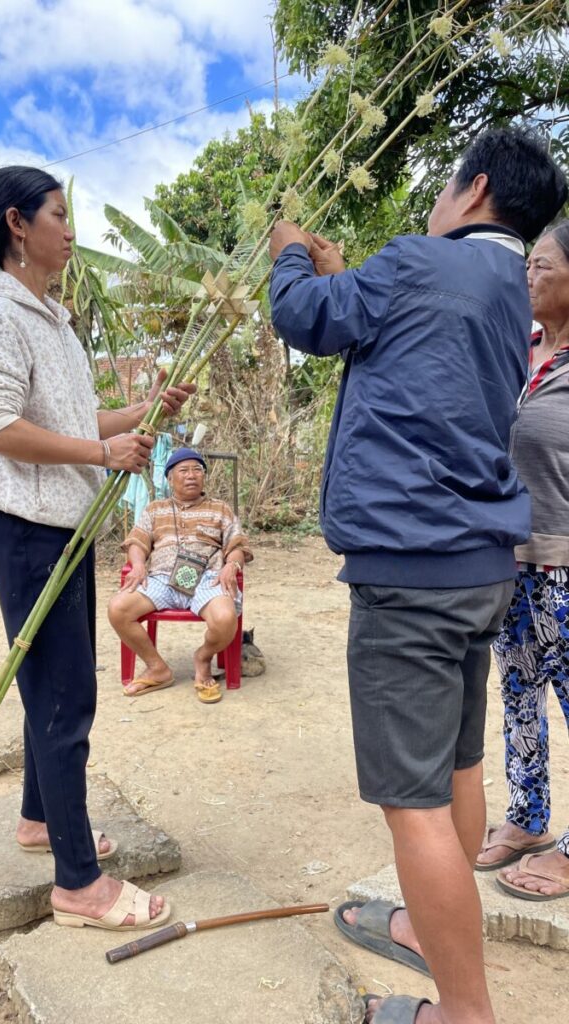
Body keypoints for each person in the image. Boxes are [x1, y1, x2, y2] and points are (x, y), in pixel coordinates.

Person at [268, 128, 567, 1024]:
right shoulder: (506, 290)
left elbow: (305, 319)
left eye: (444, 184)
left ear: (472, 189)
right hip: (476, 567)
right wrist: (344, 270)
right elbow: (402, 325)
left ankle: (463, 1013)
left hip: (411, 569)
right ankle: (423, 926)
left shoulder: (421, 264)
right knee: (458, 767)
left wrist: (291, 258)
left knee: (414, 807)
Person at [0, 165, 194, 932]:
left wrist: (145, 411)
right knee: (64, 698)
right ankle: (79, 883)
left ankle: (39, 822)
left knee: (52, 686)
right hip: (26, 532)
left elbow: (82, 418)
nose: (71, 230)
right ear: (18, 225)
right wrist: (95, 454)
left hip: (64, 528)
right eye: (58, 213)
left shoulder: (51, 317)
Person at [474, 220, 569, 902]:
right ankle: (528, 817)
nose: (526, 276)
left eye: (540, 265)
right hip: (514, 558)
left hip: (567, 563)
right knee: (518, 695)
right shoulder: (522, 348)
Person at [108, 447, 252, 704]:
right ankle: (157, 668)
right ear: (170, 479)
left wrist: (232, 565)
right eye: (183, 471)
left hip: (208, 578)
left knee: (225, 617)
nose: (191, 476)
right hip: (162, 578)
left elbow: (237, 545)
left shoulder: (220, 509)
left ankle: (204, 657)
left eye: (197, 470)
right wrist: (138, 565)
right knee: (118, 608)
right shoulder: (155, 509)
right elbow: (136, 542)